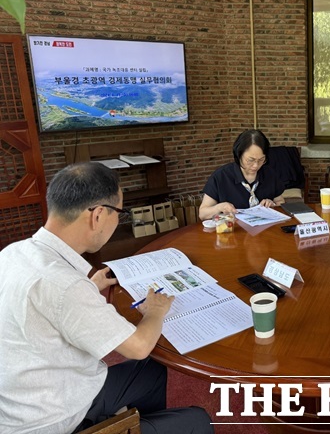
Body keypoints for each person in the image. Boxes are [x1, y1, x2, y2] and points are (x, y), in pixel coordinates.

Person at [0, 162, 212, 434]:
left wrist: (88, 286)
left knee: (150, 371)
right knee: (199, 421)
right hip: (52, 420)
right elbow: (137, 347)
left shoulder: (13, 253)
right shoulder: (65, 286)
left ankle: (133, 425)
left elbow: (48, 302)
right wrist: (155, 311)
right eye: (119, 213)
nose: (117, 221)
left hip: (22, 400)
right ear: (98, 215)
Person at [199, 129, 285, 220]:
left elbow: (280, 201)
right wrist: (219, 207)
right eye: (250, 160)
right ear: (239, 155)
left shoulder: (269, 174)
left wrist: (273, 205)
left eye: (261, 160)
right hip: (232, 231)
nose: (255, 166)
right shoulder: (221, 176)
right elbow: (202, 214)